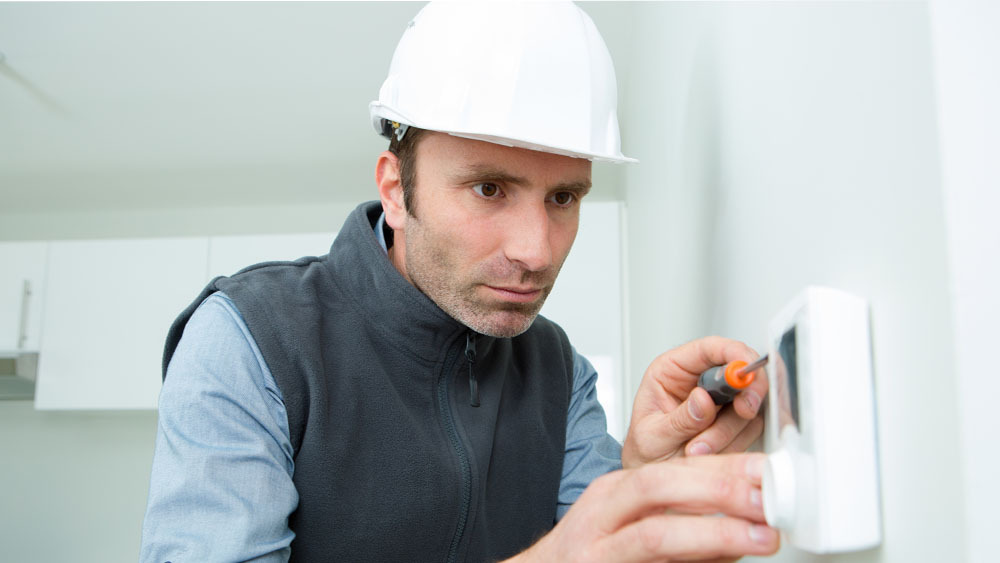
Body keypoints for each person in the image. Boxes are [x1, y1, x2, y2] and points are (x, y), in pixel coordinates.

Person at [140, 2, 778, 561]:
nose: (535, 252)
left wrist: (644, 490)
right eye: (489, 189)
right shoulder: (250, 341)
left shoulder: (561, 375)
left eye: (563, 198)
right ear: (396, 190)